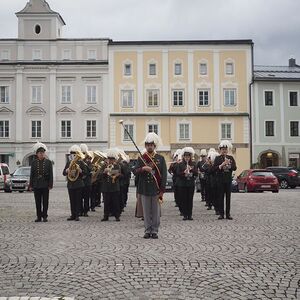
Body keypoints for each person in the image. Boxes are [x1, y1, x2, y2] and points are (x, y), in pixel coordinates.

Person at [135, 132, 167, 239]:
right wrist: (143, 168)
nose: (149, 146)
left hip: (155, 189)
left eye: (151, 145)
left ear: (154, 146)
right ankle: (147, 230)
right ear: (145, 146)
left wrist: (162, 190)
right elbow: (135, 171)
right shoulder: (141, 158)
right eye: (147, 145)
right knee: (146, 211)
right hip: (144, 188)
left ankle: (155, 231)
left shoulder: (160, 158)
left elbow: (164, 175)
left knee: (155, 211)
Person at [29, 142, 53, 222]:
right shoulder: (33, 163)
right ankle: (39, 216)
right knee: (37, 202)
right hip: (37, 184)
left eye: (42, 153)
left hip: (45, 184)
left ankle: (45, 216)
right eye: (40, 153)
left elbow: (51, 175)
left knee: (45, 201)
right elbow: (31, 174)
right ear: (37, 154)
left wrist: (50, 184)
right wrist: (31, 185)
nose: (41, 154)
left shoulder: (48, 162)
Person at [63, 145, 88, 221]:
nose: (73, 156)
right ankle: (73, 215)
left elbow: (85, 173)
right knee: (72, 200)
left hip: (78, 184)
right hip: (70, 184)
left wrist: (80, 170)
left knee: (78, 200)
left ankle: (77, 215)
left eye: (74, 154)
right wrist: (66, 171)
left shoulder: (81, 163)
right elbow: (63, 173)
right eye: (72, 154)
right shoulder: (68, 163)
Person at [213, 140, 237, 220]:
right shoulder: (217, 158)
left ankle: (228, 214)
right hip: (220, 180)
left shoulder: (231, 158)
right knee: (220, 197)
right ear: (220, 150)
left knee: (228, 198)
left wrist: (229, 165)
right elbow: (214, 169)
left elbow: (234, 167)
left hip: (228, 180)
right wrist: (222, 165)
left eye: (225, 149)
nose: (224, 151)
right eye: (223, 149)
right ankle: (221, 214)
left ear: (227, 150)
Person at [100, 148, 122, 222]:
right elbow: (100, 176)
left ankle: (117, 216)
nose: (110, 161)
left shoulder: (117, 166)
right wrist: (104, 172)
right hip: (106, 187)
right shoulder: (104, 166)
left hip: (115, 187)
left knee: (115, 202)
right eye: (109, 159)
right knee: (106, 203)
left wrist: (116, 175)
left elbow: (120, 175)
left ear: (114, 160)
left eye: (112, 159)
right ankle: (105, 216)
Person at [176, 147, 198, 220]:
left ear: (190, 157)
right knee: (184, 199)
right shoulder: (180, 164)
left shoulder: (193, 164)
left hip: (190, 184)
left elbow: (196, 173)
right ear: (183, 157)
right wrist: (184, 172)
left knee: (190, 200)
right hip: (182, 184)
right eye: (185, 157)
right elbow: (178, 174)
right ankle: (185, 215)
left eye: (188, 156)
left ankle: (190, 214)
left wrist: (191, 169)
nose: (187, 158)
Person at [80, 144, 92, 217]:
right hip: (80, 182)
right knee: (79, 198)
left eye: (84, 153)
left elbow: (90, 170)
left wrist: (86, 163)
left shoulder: (88, 162)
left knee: (87, 198)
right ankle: (80, 211)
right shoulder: (78, 161)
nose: (83, 155)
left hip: (87, 182)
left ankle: (86, 211)